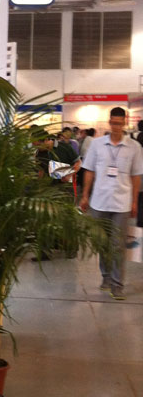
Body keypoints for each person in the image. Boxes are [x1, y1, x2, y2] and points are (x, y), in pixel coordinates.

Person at [79, 107, 143, 300]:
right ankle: (106, 277)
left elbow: (136, 176)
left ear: (124, 123)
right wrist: (85, 196)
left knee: (118, 245)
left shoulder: (134, 147)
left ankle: (117, 284)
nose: (116, 127)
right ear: (109, 122)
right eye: (113, 123)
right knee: (102, 243)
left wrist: (134, 201)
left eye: (119, 124)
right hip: (99, 202)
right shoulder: (97, 145)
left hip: (122, 203)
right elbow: (89, 171)